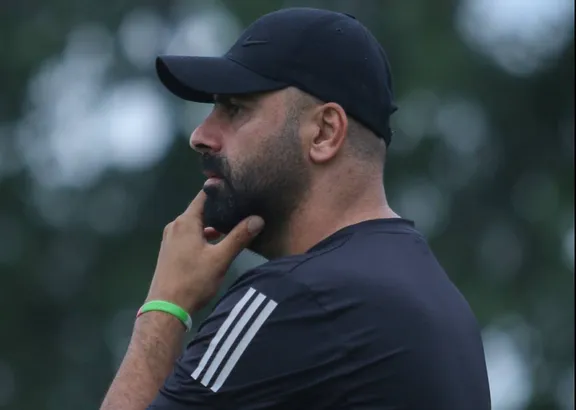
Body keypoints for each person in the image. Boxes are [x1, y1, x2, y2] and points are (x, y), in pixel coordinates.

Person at [100, 7, 491, 410]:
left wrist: (165, 306)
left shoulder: (295, 296)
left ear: (324, 132)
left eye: (235, 108)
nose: (201, 135)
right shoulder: (446, 306)